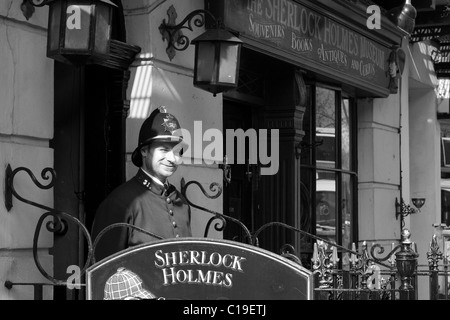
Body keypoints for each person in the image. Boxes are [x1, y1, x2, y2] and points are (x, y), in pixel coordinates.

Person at [91, 106, 192, 261]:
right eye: (164, 150)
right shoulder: (120, 202)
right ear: (144, 151)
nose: (172, 158)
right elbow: (104, 273)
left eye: (177, 151)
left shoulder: (181, 203)